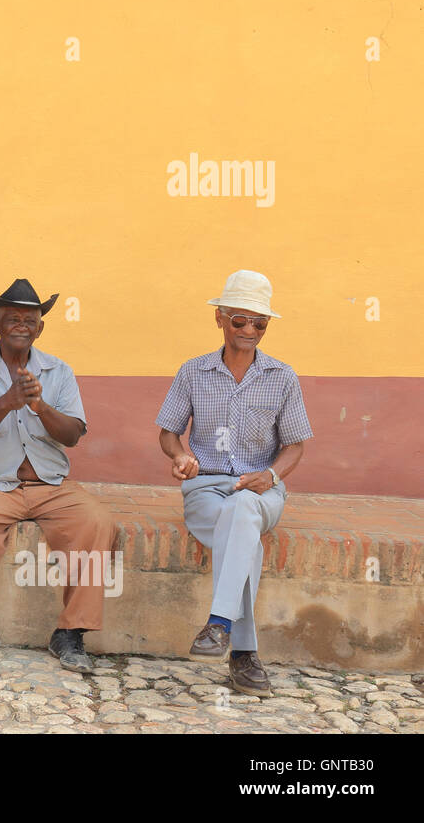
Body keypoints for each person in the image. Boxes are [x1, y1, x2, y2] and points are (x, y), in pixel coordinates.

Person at [0, 279, 115, 673]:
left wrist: (39, 404)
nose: (22, 325)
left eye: (30, 319)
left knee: (96, 522)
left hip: (49, 483)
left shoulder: (59, 370)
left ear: (40, 327)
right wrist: (7, 401)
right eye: (12, 318)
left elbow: (72, 436)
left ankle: (70, 634)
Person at [156, 270, 313, 696]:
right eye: (240, 320)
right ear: (220, 319)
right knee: (241, 532)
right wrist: (181, 456)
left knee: (243, 507)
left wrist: (272, 474)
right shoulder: (193, 372)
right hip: (205, 490)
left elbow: (296, 446)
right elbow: (168, 432)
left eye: (259, 323)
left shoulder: (283, 376)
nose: (250, 330)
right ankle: (244, 654)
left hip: (262, 491)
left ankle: (219, 625)